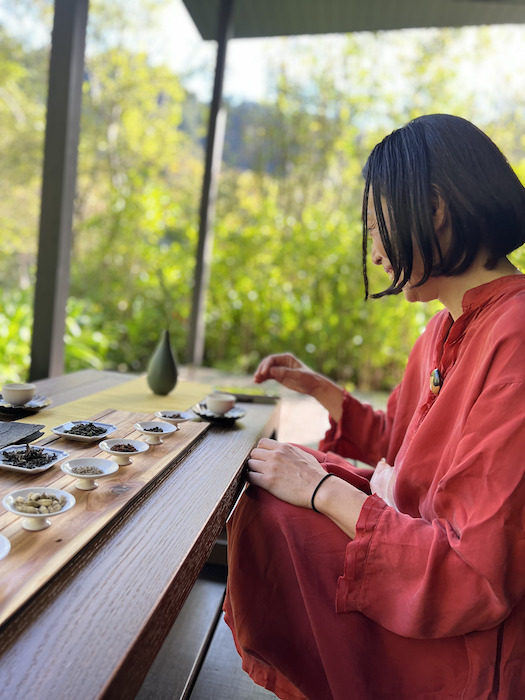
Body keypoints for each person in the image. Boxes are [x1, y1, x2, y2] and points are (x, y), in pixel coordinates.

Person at [222, 114, 525, 700]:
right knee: (270, 478)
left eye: (375, 224)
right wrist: (323, 393)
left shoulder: (515, 334)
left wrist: (321, 489)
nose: (376, 250)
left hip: (466, 643)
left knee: (279, 509)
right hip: (421, 572)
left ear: (435, 208)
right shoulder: (443, 330)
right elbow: (405, 443)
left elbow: (473, 574)